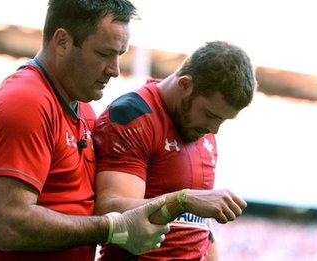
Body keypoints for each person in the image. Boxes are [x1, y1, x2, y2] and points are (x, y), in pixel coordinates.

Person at [0, 1, 170, 260]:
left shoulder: (83, 109)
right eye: (104, 54)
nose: (115, 69)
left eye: (119, 55)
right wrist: (113, 228)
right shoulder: (27, 101)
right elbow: (10, 225)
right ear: (62, 41)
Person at [93, 41, 257, 260]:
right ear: (185, 85)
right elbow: (109, 210)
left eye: (223, 120)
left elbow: (199, 229)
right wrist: (183, 200)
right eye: (210, 115)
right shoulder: (133, 116)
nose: (214, 129)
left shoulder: (199, 127)